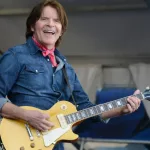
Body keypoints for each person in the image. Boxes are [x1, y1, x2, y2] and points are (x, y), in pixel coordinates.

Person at [0, 0, 141, 150]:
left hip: (54, 145)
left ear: (61, 30)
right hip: (19, 141)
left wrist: (120, 110)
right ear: (32, 26)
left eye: (56, 21)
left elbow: (85, 110)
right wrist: (26, 115)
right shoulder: (16, 56)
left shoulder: (67, 69)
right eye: (44, 19)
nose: (50, 24)